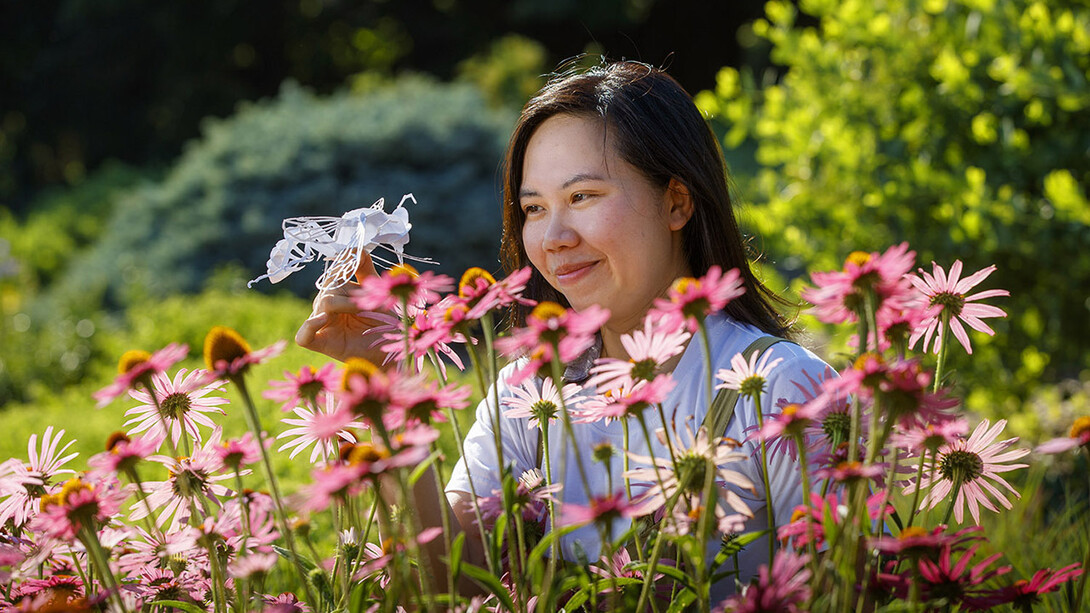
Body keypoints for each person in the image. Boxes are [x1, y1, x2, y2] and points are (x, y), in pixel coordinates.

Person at [296, 60, 835, 600]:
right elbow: (452, 586)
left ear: (676, 201)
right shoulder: (525, 393)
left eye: (582, 197)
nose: (553, 237)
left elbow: (849, 590)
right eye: (533, 208)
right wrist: (388, 386)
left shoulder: (778, 389)